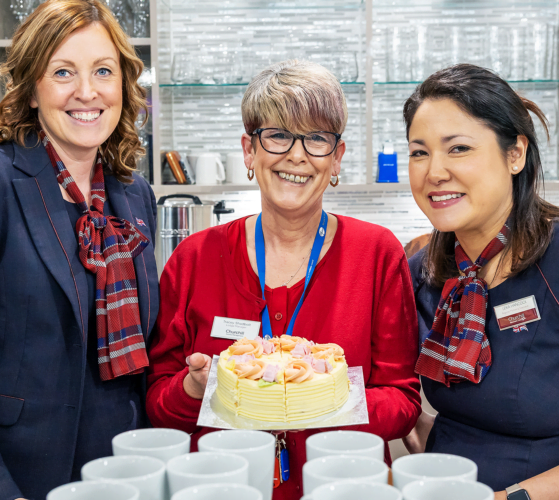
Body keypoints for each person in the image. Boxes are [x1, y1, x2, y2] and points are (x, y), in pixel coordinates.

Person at [0, 2, 159, 499]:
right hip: (7, 478)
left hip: (118, 474)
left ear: (123, 85)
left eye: (103, 71)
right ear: (31, 89)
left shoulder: (133, 195)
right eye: (63, 72)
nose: (87, 91)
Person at [146, 60, 422, 500]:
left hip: (344, 487)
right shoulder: (193, 259)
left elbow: (403, 400)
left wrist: (317, 398)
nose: (296, 155)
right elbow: (158, 402)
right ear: (248, 150)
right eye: (277, 135)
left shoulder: (376, 254)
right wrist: (194, 389)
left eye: (316, 138)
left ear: (337, 158)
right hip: (224, 487)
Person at [404, 64, 559, 500]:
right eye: (419, 152)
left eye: (459, 148)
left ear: (515, 153)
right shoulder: (425, 271)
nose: (435, 171)